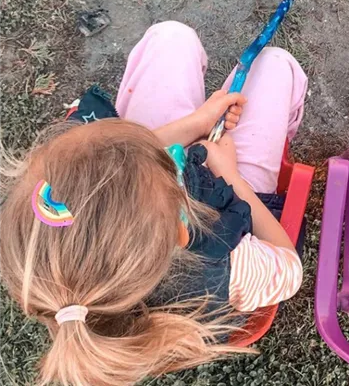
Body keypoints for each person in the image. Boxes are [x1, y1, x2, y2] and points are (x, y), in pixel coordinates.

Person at [0, 22, 308, 386]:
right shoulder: (228, 268)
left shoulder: (47, 246)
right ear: (181, 228)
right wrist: (232, 177)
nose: (173, 156)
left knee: (171, 36)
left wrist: (195, 123)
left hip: (173, 195)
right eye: (168, 167)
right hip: (231, 201)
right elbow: (289, 268)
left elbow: (122, 158)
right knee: (276, 64)